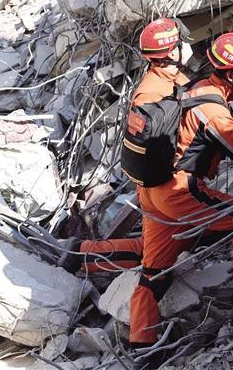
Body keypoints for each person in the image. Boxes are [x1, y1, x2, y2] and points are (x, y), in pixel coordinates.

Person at [127, 32, 233, 349]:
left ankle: (140, 343)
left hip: (152, 190)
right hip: (179, 191)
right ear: (232, 74)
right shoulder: (213, 110)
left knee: (153, 271)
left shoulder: (195, 87)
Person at [58, 17, 192, 274]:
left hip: (160, 182)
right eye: (180, 43)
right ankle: (81, 254)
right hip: (163, 183)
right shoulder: (152, 93)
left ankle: (81, 253)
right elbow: (153, 143)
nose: (186, 46)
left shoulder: (169, 81)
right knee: (154, 255)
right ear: (171, 52)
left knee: (154, 248)